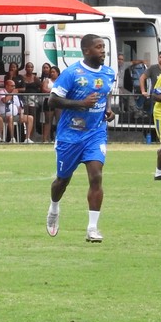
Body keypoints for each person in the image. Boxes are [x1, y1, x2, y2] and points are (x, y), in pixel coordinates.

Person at [45, 34, 115, 243]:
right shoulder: (72, 73)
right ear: (86, 51)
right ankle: (54, 208)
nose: (103, 50)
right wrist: (81, 104)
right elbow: (52, 100)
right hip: (70, 135)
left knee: (96, 176)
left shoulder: (109, 72)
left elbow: (106, 93)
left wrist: (109, 110)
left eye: (104, 47)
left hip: (95, 133)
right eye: (99, 47)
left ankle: (92, 228)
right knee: (62, 180)